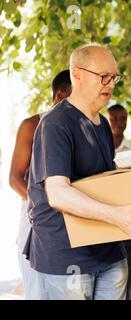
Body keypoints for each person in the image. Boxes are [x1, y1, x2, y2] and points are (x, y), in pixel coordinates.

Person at [23, 44, 131, 300]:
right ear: (77, 75)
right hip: (66, 258)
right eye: (103, 76)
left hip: (109, 252)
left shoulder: (102, 124)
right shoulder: (55, 124)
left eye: (114, 77)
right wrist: (118, 216)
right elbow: (59, 194)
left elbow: (105, 181)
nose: (110, 83)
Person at [9, 69, 72, 299]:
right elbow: (14, 179)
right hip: (36, 231)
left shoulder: (80, 129)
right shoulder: (32, 125)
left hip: (69, 232)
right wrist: (49, 205)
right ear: (58, 97)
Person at [106, 103, 131, 301]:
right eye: (114, 119)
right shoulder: (99, 147)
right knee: (111, 271)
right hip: (106, 216)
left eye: (123, 119)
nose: (119, 123)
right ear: (107, 120)